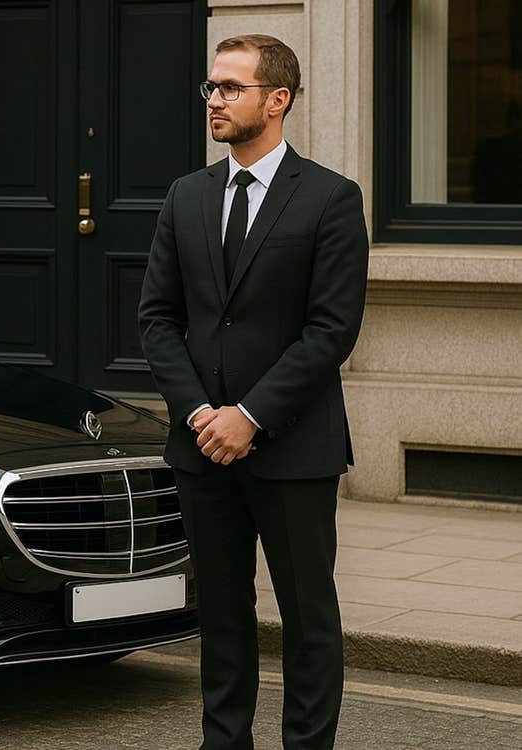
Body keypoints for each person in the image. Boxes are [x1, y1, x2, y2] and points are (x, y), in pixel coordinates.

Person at [137, 34, 369, 750]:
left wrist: (251, 416)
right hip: (200, 446)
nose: (214, 100)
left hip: (294, 448)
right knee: (224, 619)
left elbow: (330, 332)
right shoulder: (186, 196)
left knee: (308, 619)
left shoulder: (331, 199)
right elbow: (157, 319)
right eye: (210, 87)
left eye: (230, 88)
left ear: (278, 100)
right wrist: (203, 414)